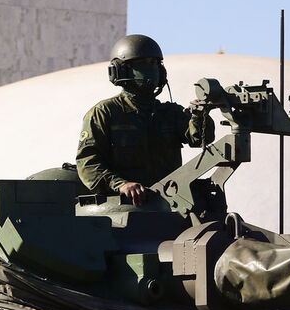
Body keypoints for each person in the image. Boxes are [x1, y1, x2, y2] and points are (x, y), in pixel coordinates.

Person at [76, 34, 211, 204]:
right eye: (142, 64)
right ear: (121, 70)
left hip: (169, 205)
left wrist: (199, 116)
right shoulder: (104, 113)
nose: (150, 69)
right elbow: (87, 163)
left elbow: (200, 139)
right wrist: (121, 185)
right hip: (123, 208)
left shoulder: (171, 113)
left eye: (154, 63)